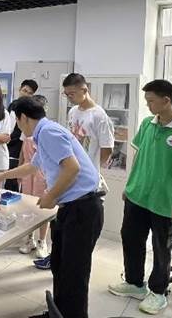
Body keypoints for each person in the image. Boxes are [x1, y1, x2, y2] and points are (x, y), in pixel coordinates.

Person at [0, 96, 103, 318]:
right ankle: (57, 313)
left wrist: (51, 195)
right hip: (72, 207)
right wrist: (2, 175)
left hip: (82, 208)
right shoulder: (44, 133)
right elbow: (33, 166)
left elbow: (72, 168)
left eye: (17, 121)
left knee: (74, 273)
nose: (18, 127)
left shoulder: (48, 132)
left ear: (23, 117)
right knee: (60, 265)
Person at [108, 79, 172, 315]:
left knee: (160, 248)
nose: (148, 105)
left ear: (166, 100)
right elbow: (139, 156)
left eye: (151, 101)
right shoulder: (148, 123)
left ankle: (158, 292)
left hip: (163, 201)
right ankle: (135, 283)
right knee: (131, 238)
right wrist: (130, 185)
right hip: (138, 195)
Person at [34, 72, 115, 270]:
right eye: (66, 94)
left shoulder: (99, 116)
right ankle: (55, 258)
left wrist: (92, 169)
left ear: (84, 90)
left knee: (78, 239)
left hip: (85, 180)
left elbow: (107, 149)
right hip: (69, 174)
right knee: (62, 225)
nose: (69, 98)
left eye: (72, 94)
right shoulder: (73, 112)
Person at [18, 95, 50, 258]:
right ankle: (29, 239)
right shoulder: (27, 130)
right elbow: (23, 152)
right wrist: (18, 169)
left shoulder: (45, 132)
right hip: (26, 173)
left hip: (40, 173)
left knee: (42, 207)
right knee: (27, 206)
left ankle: (42, 241)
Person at [5, 79, 38, 192]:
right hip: (8, 149)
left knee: (16, 184)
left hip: (22, 151)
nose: (26, 95)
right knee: (8, 183)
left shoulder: (30, 110)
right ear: (19, 89)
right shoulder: (13, 106)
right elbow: (8, 129)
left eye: (30, 93)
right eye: (25, 91)